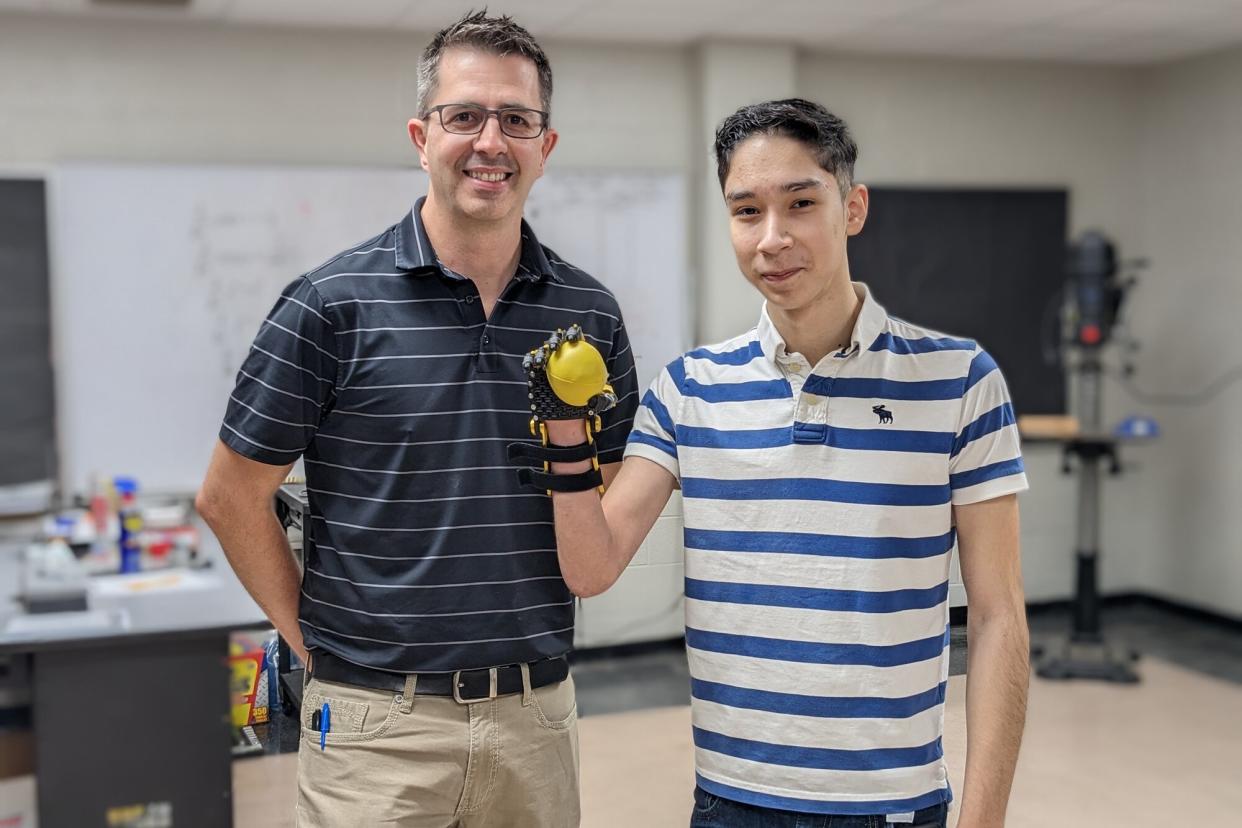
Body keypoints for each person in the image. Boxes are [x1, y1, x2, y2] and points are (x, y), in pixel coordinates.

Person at [531, 99, 1029, 828]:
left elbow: (998, 619)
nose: (772, 238)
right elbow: (591, 567)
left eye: (801, 203)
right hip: (730, 800)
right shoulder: (689, 388)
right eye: (746, 212)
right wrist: (565, 428)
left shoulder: (960, 381)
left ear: (852, 207)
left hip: (891, 805)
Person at [196, 10, 638, 827]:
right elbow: (229, 497)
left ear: (546, 145)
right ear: (420, 135)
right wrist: (315, 649)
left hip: (536, 718)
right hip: (374, 728)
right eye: (464, 116)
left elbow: (598, 519)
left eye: (517, 119)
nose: (490, 141)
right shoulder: (330, 306)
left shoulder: (589, 314)